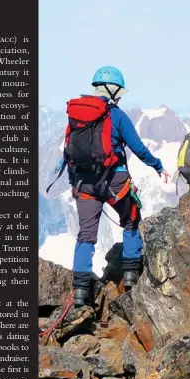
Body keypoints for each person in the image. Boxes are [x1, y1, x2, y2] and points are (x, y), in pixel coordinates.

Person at [63, 66, 169, 307]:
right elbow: (138, 147)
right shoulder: (116, 115)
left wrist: (74, 183)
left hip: (85, 186)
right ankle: (131, 277)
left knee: (86, 236)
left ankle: (80, 293)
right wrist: (158, 166)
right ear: (112, 89)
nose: (120, 96)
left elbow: (67, 152)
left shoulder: (76, 116)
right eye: (119, 92)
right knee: (131, 220)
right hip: (114, 182)